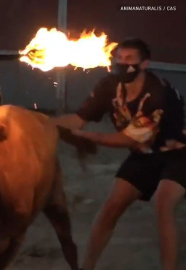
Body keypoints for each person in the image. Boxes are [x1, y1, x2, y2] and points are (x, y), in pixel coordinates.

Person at [52, 38, 186, 270]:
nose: (123, 64)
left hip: (180, 152)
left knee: (163, 204)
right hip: (144, 153)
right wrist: (41, 123)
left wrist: (89, 137)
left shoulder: (156, 92)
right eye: (119, 58)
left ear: (144, 64)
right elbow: (78, 119)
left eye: (130, 59)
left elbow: (128, 139)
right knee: (111, 207)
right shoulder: (109, 86)